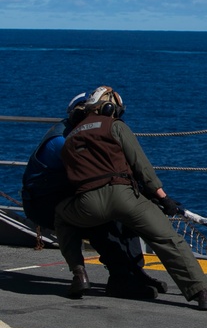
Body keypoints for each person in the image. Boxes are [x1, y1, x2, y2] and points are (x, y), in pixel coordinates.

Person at [54, 86, 207, 310]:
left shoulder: (69, 140)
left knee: (61, 216)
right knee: (167, 240)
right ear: (109, 108)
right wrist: (163, 198)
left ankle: (79, 273)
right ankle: (203, 293)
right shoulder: (115, 126)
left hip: (87, 204)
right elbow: (142, 168)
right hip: (125, 197)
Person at [21, 92, 167, 300]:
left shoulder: (78, 134)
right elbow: (95, 177)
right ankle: (119, 280)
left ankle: (134, 273)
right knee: (102, 220)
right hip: (44, 203)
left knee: (124, 212)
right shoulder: (63, 141)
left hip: (66, 193)